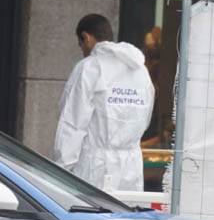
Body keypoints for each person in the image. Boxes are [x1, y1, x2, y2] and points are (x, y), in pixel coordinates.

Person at [53, 14, 154, 191]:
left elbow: (72, 125)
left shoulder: (90, 68)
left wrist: (62, 171)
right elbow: (145, 119)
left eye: (81, 44)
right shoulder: (140, 70)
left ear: (86, 37)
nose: (83, 50)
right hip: (130, 168)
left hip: (94, 168)